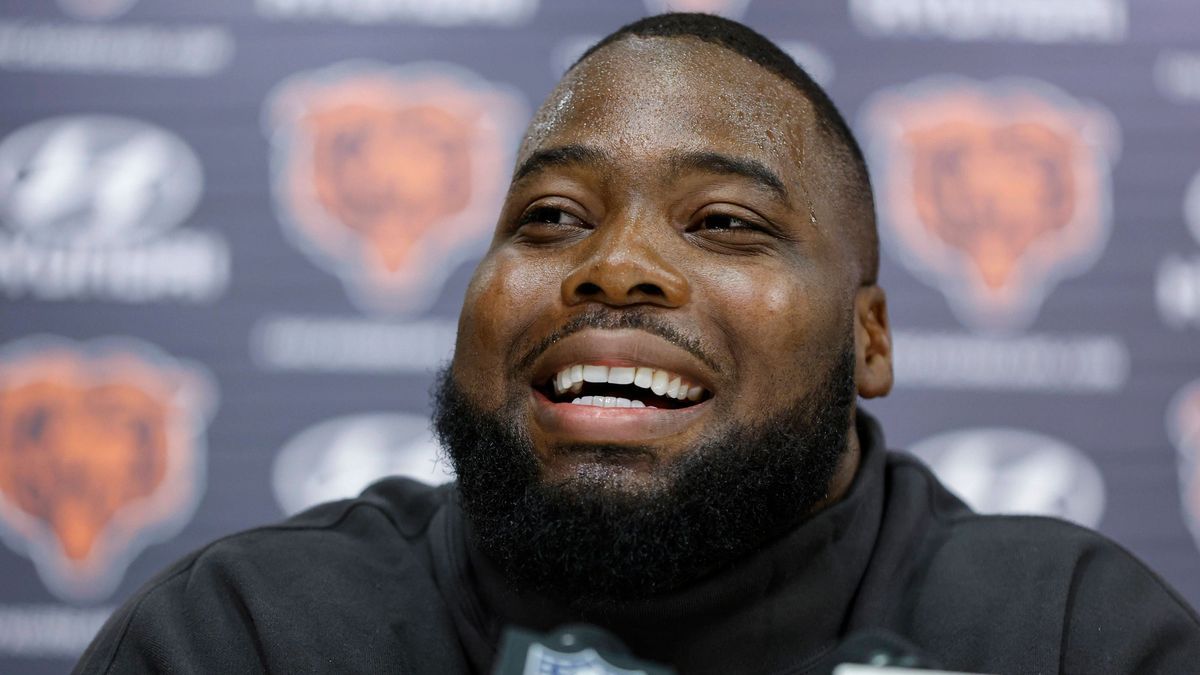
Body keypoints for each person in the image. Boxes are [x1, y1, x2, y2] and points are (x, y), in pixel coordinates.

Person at [75, 12, 1200, 675]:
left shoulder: (1065, 639)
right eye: (550, 217)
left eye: (724, 223)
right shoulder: (254, 640)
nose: (612, 267)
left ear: (868, 340)